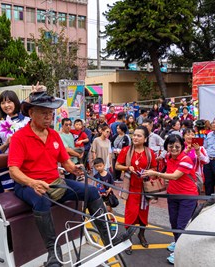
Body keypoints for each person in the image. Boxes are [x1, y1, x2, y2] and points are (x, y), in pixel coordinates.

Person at [8, 91, 134, 266]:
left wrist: (74, 169)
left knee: (90, 190)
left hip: (55, 182)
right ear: (31, 113)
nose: (49, 116)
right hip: (28, 185)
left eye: (50, 113)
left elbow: (65, 162)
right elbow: (13, 170)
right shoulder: (19, 137)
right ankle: (53, 253)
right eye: (44, 112)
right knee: (41, 199)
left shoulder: (53, 135)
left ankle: (109, 240)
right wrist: (32, 182)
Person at [142, 134, 199, 264]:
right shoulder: (168, 157)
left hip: (187, 197)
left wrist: (155, 173)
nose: (174, 148)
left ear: (182, 146)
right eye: (171, 145)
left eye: (177, 146)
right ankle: (178, 243)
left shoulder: (186, 160)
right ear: (166, 146)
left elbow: (174, 176)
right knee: (173, 223)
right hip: (173, 195)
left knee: (181, 225)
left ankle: (180, 252)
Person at [115, 126, 157, 255]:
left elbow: (155, 168)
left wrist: (149, 173)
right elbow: (117, 166)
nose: (135, 137)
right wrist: (128, 168)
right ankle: (128, 240)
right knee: (130, 214)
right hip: (131, 189)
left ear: (145, 139)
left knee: (143, 214)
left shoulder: (149, 152)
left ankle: (141, 235)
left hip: (144, 190)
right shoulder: (126, 150)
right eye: (134, 135)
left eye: (139, 136)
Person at [93, 158, 116, 230]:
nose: (99, 168)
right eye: (97, 166)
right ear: (94, 167)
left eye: (100, 166)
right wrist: (97, 191)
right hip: (100, 195)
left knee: (109, 209)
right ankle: (106, 222)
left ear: (103, 165)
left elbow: (112, 184)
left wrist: (109, 190)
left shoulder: (108, 175)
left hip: (108, 195)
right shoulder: (96, 175)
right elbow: (96, 184)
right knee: (102, 209)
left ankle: (113, 222)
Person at [203, 119, 215, 195]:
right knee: (208, 181)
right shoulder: (209, 135)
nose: (213, 124)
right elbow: (205, 147)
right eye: (213, 122)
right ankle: (208, 199)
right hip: (208, 160)